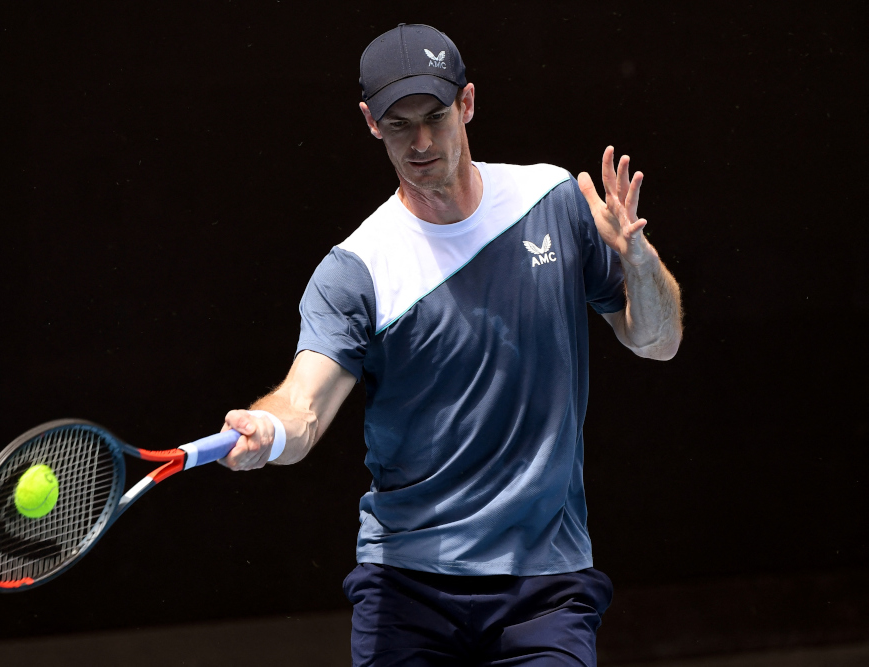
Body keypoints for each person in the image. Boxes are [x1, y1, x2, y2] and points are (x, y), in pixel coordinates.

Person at [217, 23, 682, 667]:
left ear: (467, 103)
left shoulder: (551, 202)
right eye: (399, 124)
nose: (423, 141)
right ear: (370, 123)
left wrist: (636, 257)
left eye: (435, 115)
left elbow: (657, 341)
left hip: (544, 582)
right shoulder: (357, 270)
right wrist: (268, 428)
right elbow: (305, 405)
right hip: (406, 586)